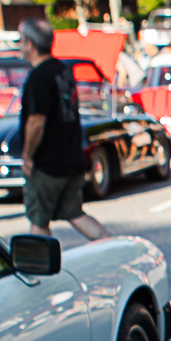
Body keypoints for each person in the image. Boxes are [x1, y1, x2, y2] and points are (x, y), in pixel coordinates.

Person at [17, 18, 108, 241]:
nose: (19, 45)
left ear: (30, 44)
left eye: (21, 40)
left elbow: (36, 121)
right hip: (71, 156)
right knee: (75, 213)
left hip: (48, 163)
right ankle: (110, 244)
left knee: (39, 222)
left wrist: (27, 156)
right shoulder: (63, 71)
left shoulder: (39, 78)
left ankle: (42, 262)